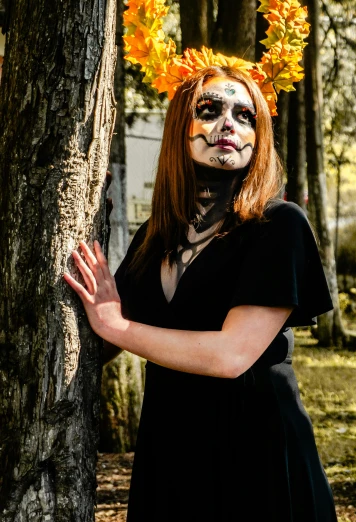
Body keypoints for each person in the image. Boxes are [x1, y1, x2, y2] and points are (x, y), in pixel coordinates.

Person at [64, 65, 338, 521]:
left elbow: (230, 356)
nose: (228, 124)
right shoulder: (155, 237)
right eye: (209, 110)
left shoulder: (279, 225)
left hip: (256, 457)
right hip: (171, 455)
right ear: (179, 128)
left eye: (245, 115)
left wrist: (116, 322)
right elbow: (104, 342)